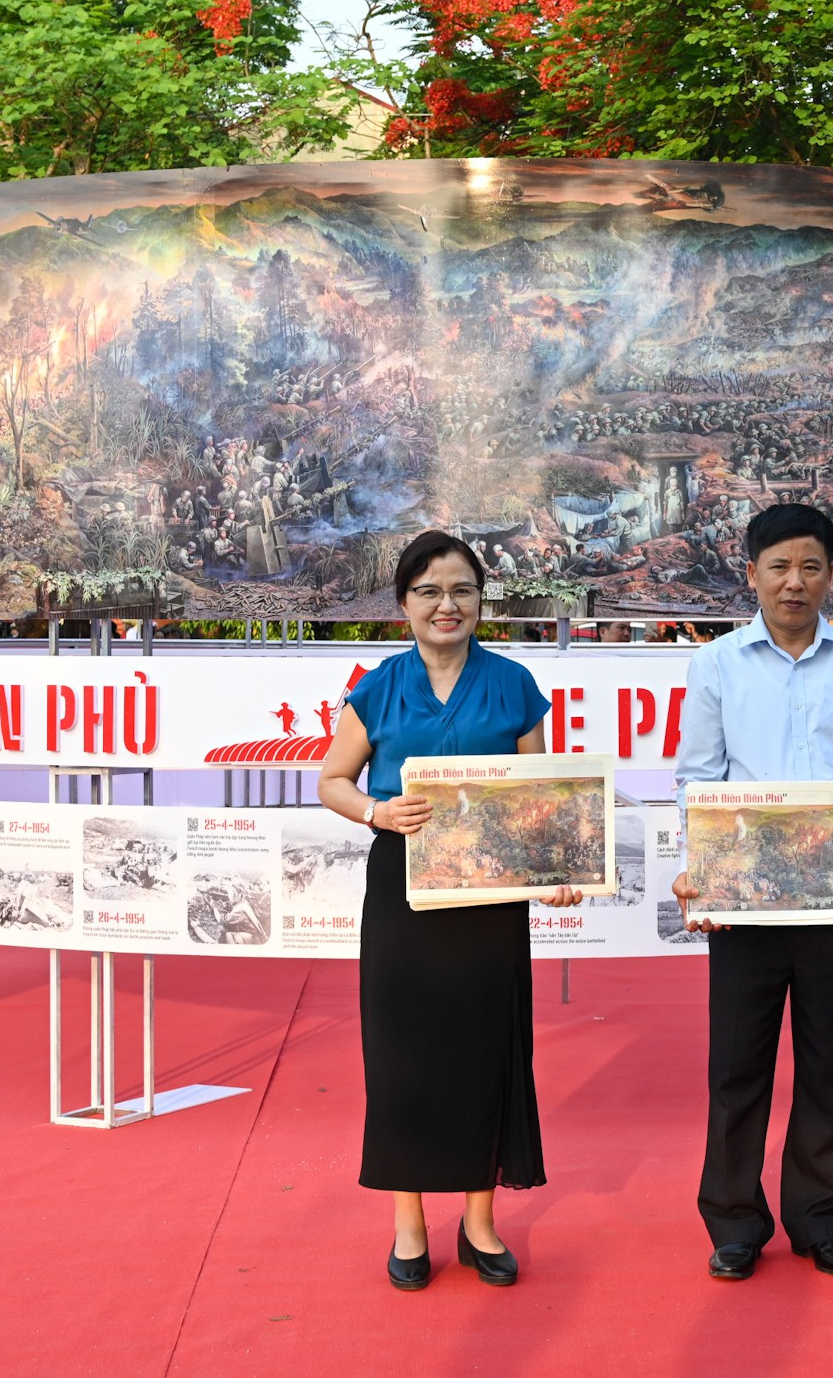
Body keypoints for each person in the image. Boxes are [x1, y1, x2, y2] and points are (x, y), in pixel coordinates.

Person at [317, 529, 583, 1294]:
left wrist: (558, 867)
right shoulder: (378, 688)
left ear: (480, 600)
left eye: (462, 589)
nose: (447, 604)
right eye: (430, 590)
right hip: (405, 887)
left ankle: (478, 1222)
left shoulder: (515, 685)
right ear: (403, 602)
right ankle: (408, 1223)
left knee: (484, 1051)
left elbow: (540, 799)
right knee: (403, 1056)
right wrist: (376, 813)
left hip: (491, 896)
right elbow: (332, 779)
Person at [670, 503, 833, 1282]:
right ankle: (735, 1221)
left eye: (811, 566)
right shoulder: (716, 666)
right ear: (751, 574)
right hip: (745, 897)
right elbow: (698, 778)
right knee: (738, 1065)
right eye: (778, 566)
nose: (794, 581)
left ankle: (819, 1219)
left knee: (832, 1063)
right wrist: (702, 860)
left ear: (831, 575)